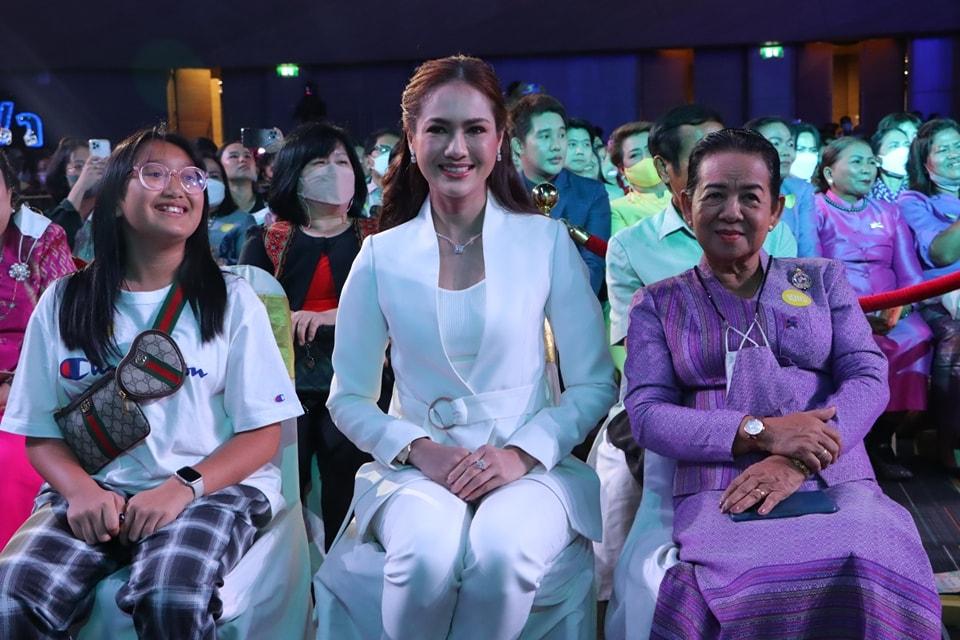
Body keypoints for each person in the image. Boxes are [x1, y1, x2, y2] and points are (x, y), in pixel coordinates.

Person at [314, 55, 616, 640]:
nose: (457, 148)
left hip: (530, 465)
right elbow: (348, 397)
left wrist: (521, 453)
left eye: (475, 129)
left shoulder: (544, 242)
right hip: (417, 470)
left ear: (500, 139)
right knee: (425, 560)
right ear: (412, 139)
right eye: (439, 129)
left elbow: (593, 383)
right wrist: (417, 449)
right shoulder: (380, 255)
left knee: (502, 554)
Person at [622, 128, 939, 638]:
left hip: (831, 466)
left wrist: (798, 458)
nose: (732, 212)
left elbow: (867, 375)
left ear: (775, 211)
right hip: (722, 480)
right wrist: (762, 434)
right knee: (750, 585)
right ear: (685, 205)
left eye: (751, 197)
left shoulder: (820, 280)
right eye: (714, 195)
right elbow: (647, 415)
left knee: (871, 556)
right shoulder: (658, 304)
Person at [0, 127, 302, 637]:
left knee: (171, 595)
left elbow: (262, 434)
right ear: (116, 198)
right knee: (12, 595)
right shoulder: (64, 300)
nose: (176, 188)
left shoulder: (232, 300)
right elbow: (40, 432)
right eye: (154, 173)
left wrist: (182, 488)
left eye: (190, 177)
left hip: (207, 490)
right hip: (95, 492)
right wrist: (79, 491)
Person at [599, 105, 797, 615]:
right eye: (701, 155)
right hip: (672, 399)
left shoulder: (773, 231)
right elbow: (627, 352)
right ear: (665, 170)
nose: (722, 160)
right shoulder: (633, 247)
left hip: (771, 396)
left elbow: (797, 338)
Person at [239, 121, 374, 542]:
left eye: (342, 161)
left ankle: (343, 568)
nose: (334, 171)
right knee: (284, 487)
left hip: (358, 380)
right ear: (294, 175)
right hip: (285, 383)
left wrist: (333, 316)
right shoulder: (267, 240)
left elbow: (396, 307)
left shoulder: (376, 236)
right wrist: (286, 318)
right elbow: (245, 312)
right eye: (319, 162)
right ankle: (289, 573)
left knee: (347, 481)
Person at [812, 136, 932, 480]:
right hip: (840, 310)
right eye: (857, 162)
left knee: (918, 336)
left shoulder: (888, 211)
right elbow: (812, 271)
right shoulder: (817, 209)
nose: (868, 169)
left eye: (871, 162)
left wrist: (902, 308)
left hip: (892, 310)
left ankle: (881, 439)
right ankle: (848, 441)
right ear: (829, 172)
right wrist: (852, 314)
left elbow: (910, 272)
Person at [0, 152, 76, 549]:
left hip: (28, 396)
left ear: (10, 194)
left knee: (10, 461)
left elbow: (68, 330)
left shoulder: (43, 240)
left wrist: (17, 388)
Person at [898, 118, 960, 474]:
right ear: (926, 162)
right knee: (956, 338)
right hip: (940, 298)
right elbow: (941, 254)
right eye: (943, 149)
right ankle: (947, 439)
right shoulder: (914, 201)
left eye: (958, 145)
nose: (955, 154)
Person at [510, 93, 611, 294]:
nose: (557, 146)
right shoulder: (500, 193)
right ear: (518, 145)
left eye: (562, 135)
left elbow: (594, 266)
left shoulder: (591, 193)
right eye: (545, 136)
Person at [746, 116, 818, 257]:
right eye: (776, 143)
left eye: (790, 144)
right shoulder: (733, 193)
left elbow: (808, 249)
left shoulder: (801, 191)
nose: (787, 152)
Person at [45, 137, 105, 262]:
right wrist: (81, 185)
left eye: (94, 164)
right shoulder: (48, 218)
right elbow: (51, 241)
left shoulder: (114, 215)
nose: (88, 171)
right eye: (79, 166)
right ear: (63, 174)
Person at [607, 120, 670, 236]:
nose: (646, 159)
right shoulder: (617, 210)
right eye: (634, 155)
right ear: (622, 169)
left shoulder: (688, 196)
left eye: (650, 151)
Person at [201, 153, 254, 265]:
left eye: (214, 176)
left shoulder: (243, 221)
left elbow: (249, 267)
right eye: (200, 176)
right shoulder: (178, 220)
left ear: (224, 182)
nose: (208, 181)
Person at [363, 127, 401, 215]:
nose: (391, 156)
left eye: (396, 151)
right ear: (368, 161)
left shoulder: (413, 193)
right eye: (384, 150)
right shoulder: (354, 194)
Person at [870, 122, 912, 202]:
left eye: (907, 145)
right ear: (877, 160)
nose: (904, 150)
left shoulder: (920, 194)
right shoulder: (866, 198)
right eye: (894, 146)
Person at [219, 141, 264, 214]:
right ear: (219, 166)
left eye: (247, 156)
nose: (242, 159)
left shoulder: (271, 206)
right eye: (234, 156)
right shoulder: (214, 209)